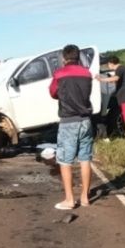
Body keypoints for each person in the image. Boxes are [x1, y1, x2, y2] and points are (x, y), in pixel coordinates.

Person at [49, 44, 94, 210]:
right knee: (85, 159)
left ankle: (69, 199)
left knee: (65, 161)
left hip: (69, 121)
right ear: (78, 56)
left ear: (64, 58)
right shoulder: (87, 73)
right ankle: (85, 197)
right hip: (86, 121)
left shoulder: (59, 74)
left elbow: (53, 92)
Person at [97, 56, 125, 146]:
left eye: (108, 64)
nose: (108, 66)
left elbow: (116, 78)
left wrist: (101, 79)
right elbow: (120, 80)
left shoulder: (119, 69)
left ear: (111, 63)